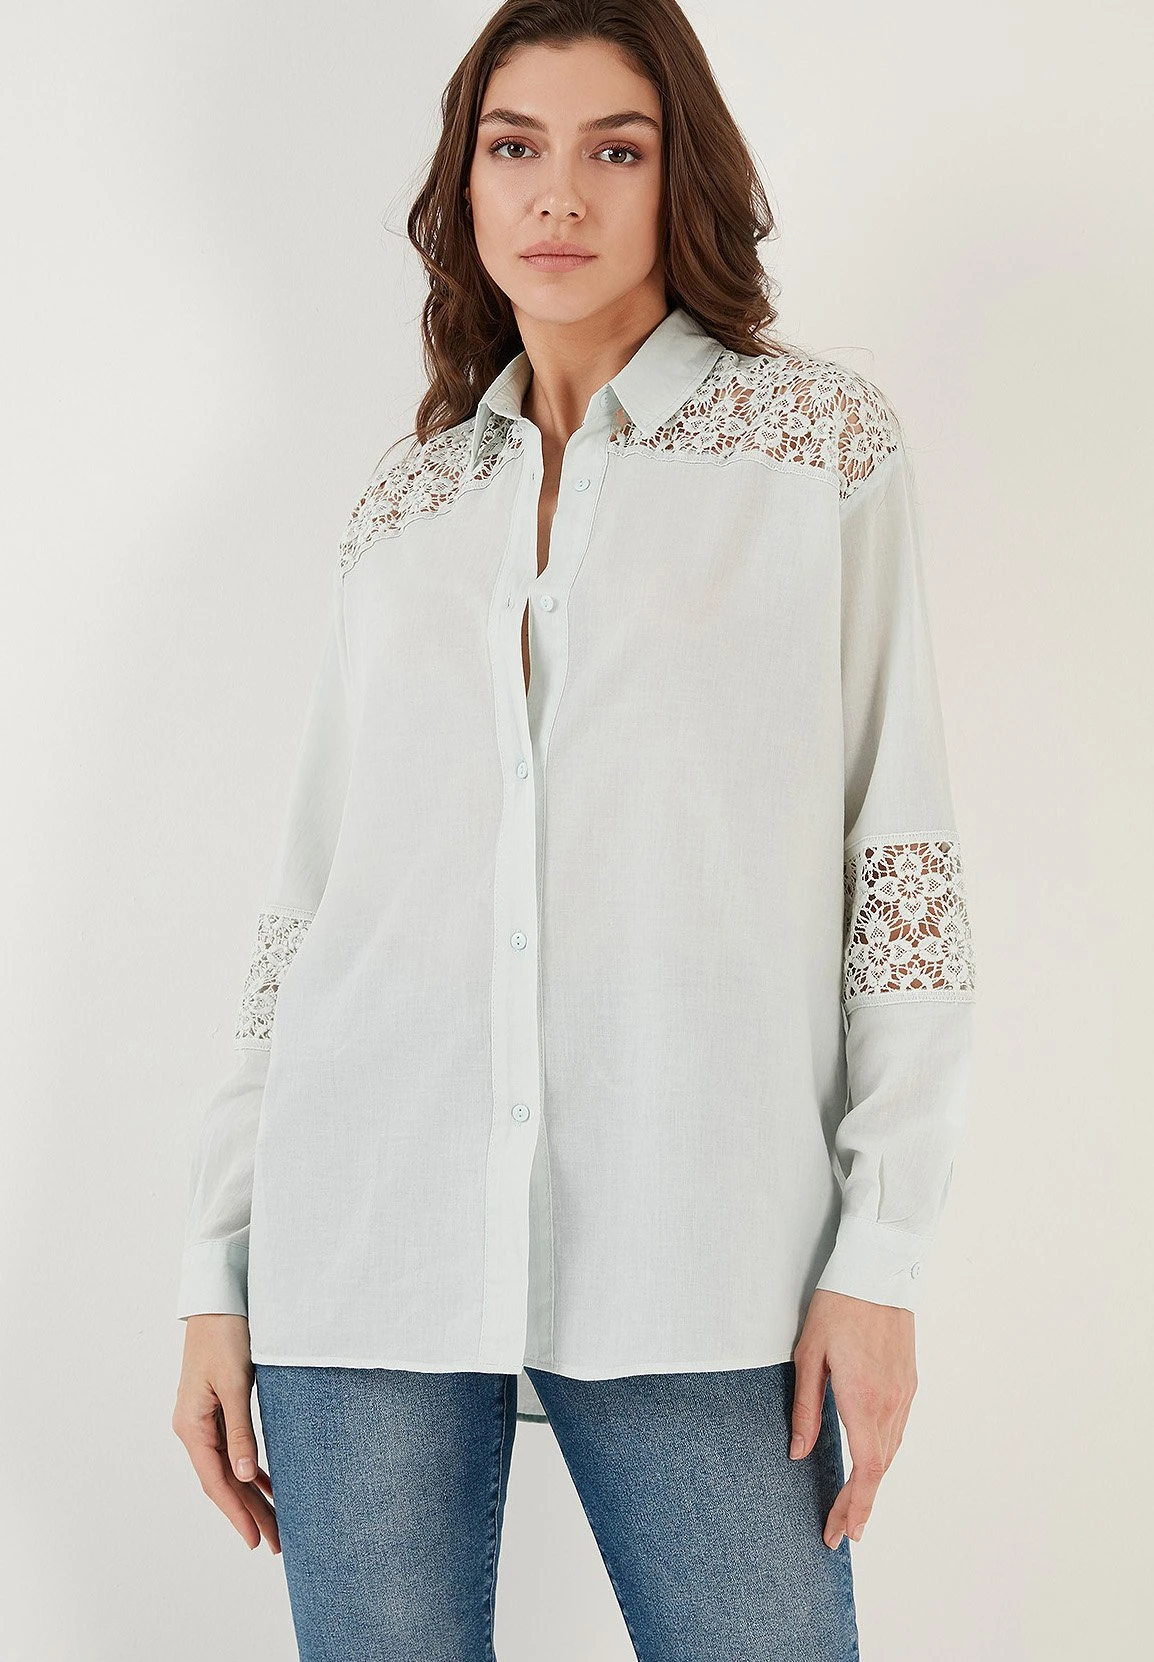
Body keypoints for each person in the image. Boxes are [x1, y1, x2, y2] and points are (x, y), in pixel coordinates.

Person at [171, 1, 976, 1657]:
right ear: (462, 185)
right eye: (513, 146)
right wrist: (216, 1264)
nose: (558, 193)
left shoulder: (813, 451)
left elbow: (896, 866)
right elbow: (310, 909)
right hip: (361, 1232)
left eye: (615, 147)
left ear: (684, 174)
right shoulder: (407, 505)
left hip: (702, 1238)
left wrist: (880, 1246)